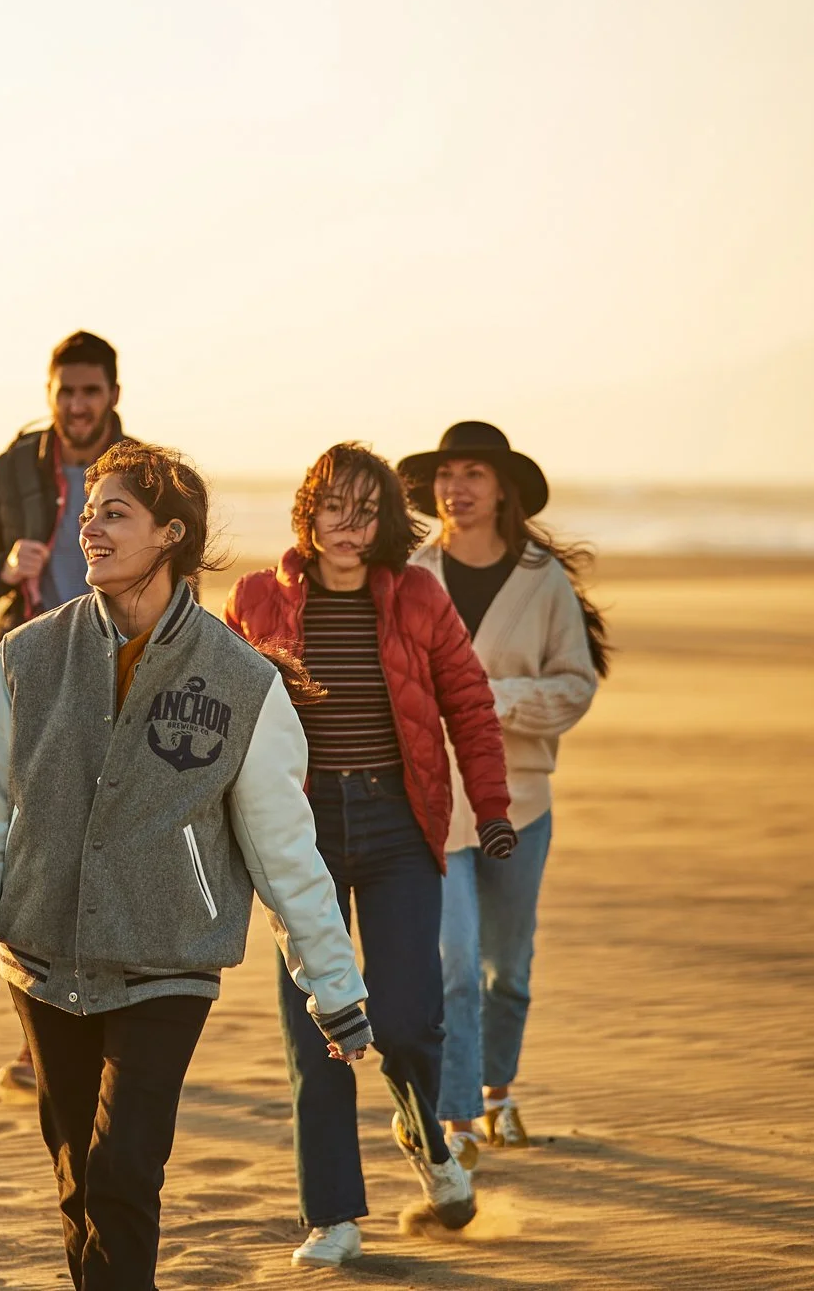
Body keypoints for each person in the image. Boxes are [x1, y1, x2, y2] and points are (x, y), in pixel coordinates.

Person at [0, 441, 372, 1291]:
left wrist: (335, 987)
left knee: (125, 1171)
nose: (88, 528)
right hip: (43, 960)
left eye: (114, 513)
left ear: (170, 534)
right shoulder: (28, 656)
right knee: (76, 1180)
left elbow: (285, 848)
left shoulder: (242, 681)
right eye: (89, 511)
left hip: (168, 960)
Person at [223, 442, 516, 1266]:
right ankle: (333, 1217)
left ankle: (426, 1142)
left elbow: (469, 701)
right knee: (318, 1026)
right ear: (306, 514)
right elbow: (212, 712)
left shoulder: (418, 596)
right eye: (332, 509)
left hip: (397, 826)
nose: (347, 527)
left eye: (365, 511)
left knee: (407, 1018)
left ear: (386, 520)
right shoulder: (255, 599)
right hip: (297, 836)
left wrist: (489, 807)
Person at [398, 422, 608, 1161]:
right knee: (453, 965)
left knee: (506, 972)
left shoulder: (543, 578)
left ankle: (498, 1095)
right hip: (434, 805)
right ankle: (456, 1125)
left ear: (502, 488)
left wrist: (491, 696)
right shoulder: (410, 574)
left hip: (521, 803)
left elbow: (575, 687)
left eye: (474, 474)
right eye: (447, 474)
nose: (456, 488)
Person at [0, 329, 137, 1094]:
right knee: (32, 851)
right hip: (33, 669)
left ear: (113, 396)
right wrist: (0, 567)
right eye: (66, 391)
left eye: (91, 391)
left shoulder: (142, 472)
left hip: (124, 668)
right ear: (51, 392)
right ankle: (41, 1035)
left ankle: (110, 1021)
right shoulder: (10, 469)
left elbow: (182, 559)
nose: (78, 404)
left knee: (110, 849)